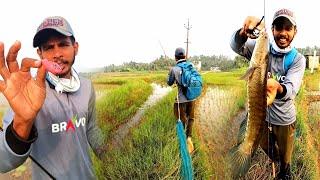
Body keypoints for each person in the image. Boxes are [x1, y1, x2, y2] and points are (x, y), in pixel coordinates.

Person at [0, 16, 105, 179]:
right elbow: (3, 160)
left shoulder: (86, 86)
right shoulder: (29, 93)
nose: (57, 53)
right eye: (48, 47)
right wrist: (22, 122)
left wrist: (109, 155)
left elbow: (91, 128)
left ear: (75, 47)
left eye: (63, 44)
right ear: (39, 53)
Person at [231, 9, 306, 179]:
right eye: (279, 28)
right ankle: (271, 157)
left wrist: (277, 87)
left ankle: (285, 171)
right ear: (272, 30)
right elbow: (236, 45)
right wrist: (243, 32)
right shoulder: (260, 48)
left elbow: (290, 89)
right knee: (268, 149)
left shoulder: (298, 59)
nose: (283, 33)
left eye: (288, 28)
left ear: (295, 31)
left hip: (284, 120)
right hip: (262, 119)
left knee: (285, 157)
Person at [167, 47, 196, 154]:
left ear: (175, 57)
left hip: (180, 100)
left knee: (181, 120)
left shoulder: (174, 69)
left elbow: (169, 83)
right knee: (191, 118)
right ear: (184, 56)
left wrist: (169, 74)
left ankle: (182, 140)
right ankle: (189, 138)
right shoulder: (191, 66)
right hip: (192, 98)